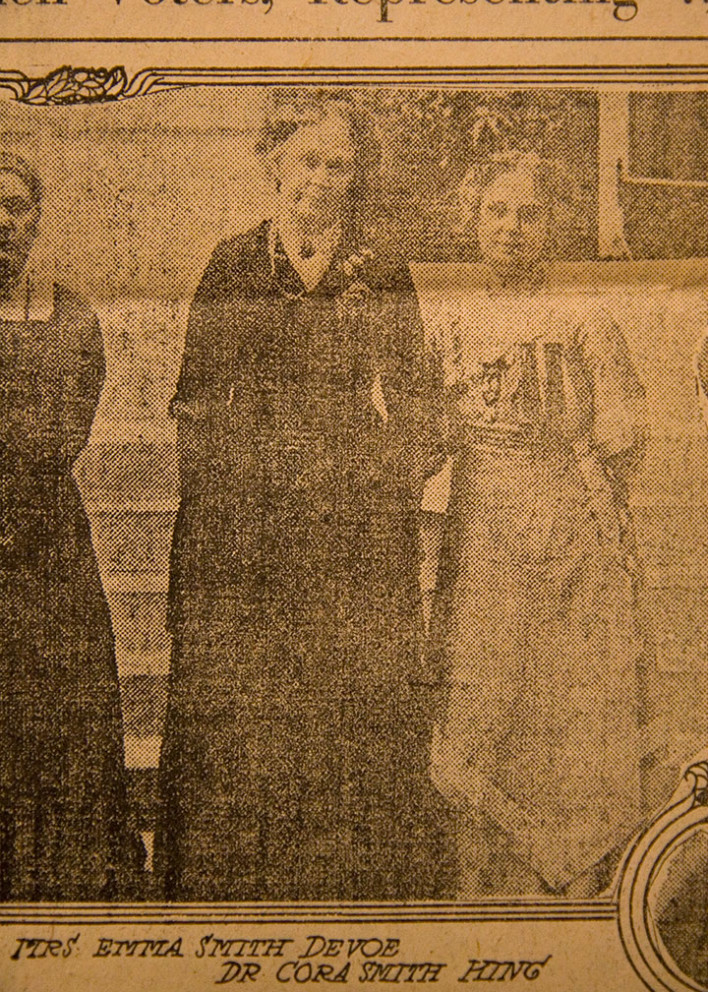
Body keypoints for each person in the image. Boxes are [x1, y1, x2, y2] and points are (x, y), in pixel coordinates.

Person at [153, 92, 454, 901]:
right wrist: (245, 482)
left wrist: (377, 477)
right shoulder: (232, 264)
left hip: (350, 531)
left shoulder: (381, 270)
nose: (322, 180)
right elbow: (193, 401)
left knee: (346, 705)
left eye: (340, 165)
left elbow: (422, 406)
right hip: (246, 529)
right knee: (247, 708)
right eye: (308, 161)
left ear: (356, 179)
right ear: (274, 163)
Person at [426, 151, 653, 898]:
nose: (512, 229)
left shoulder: (583, 312)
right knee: (477, 706)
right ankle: (483, 885)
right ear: (473, 220)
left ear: (549, 224)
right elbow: (431, 430)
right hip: (482, 524)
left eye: (528, 214)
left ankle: (571, 886)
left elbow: (622, 432)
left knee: (566, 705)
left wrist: (583, 504)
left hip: (565, 531)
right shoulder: (451, 317)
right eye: (496, 212)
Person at [0, 153, 143, 900]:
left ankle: (64, 871)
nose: (3, 222)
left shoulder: (74, 313)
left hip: (47, 541)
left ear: (37, 219)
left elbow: (65, 430)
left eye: (18, 207)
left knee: (62, 702)